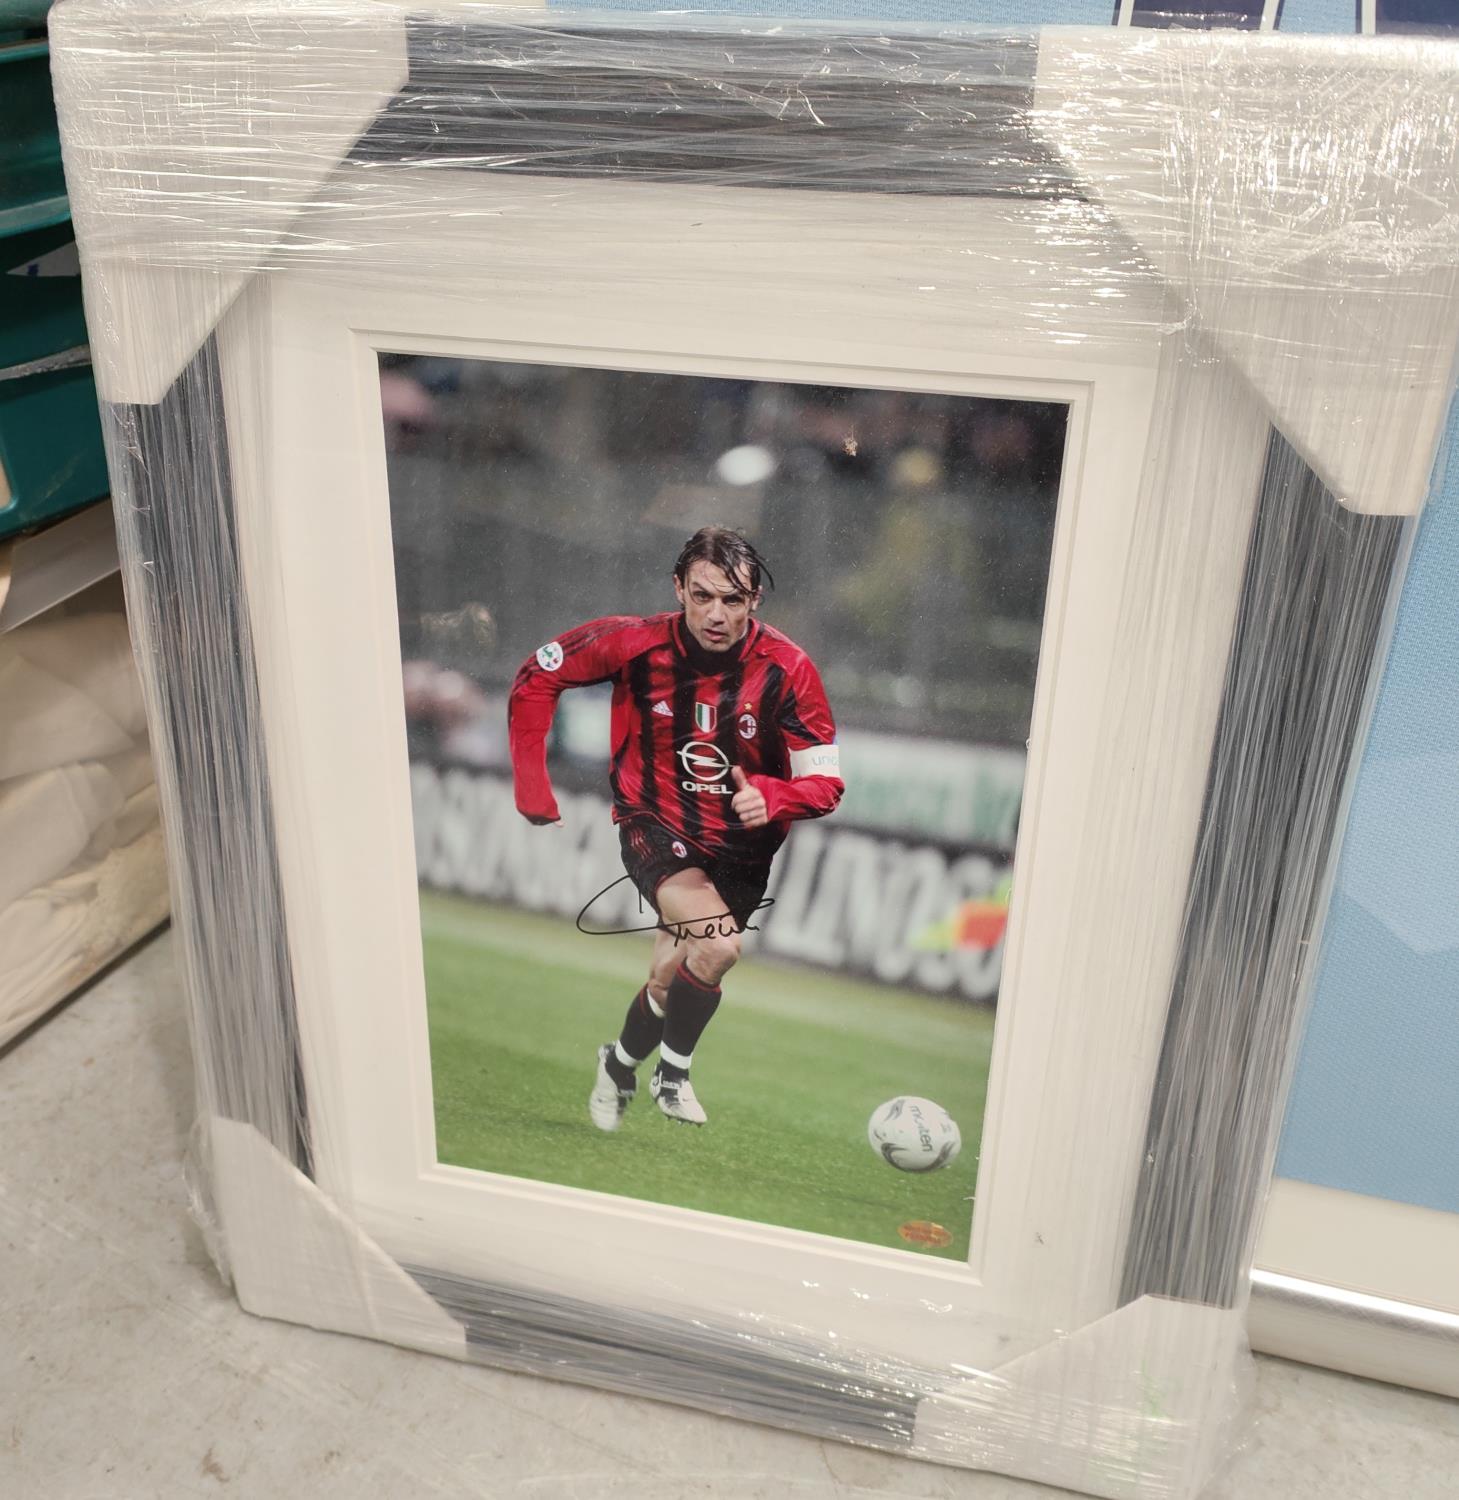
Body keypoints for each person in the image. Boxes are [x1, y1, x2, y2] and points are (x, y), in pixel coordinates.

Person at [508, 526, 844, 1129]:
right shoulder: (634, 644)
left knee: (671, 978)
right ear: (678, 589)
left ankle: (617, 1064)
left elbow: (826, 783)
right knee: (718, 944)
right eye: (702, 596)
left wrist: (775, 795)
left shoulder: (789, 670)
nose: (716, 614)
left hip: (743, 851)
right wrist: (532, 781)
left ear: (755, 601)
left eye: (733, 601)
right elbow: (539, 675)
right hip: (654, 822)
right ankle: (674, 1074)